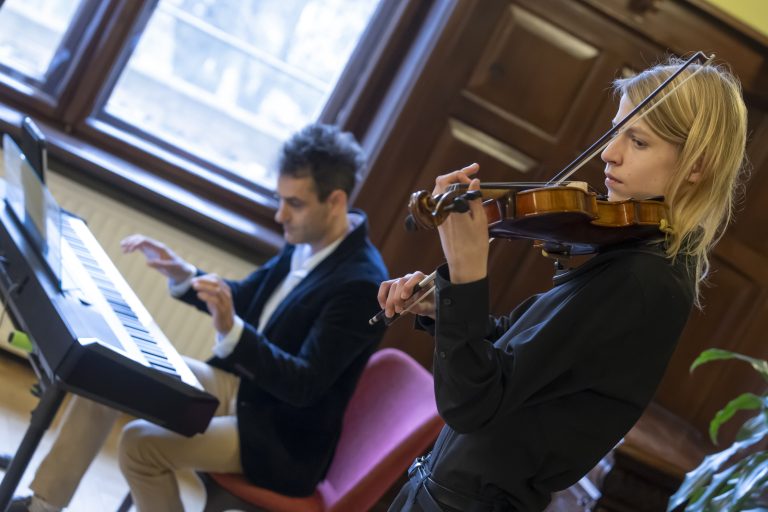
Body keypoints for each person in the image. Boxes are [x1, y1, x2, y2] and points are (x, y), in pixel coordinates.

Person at [379, 57, 748, 511]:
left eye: (638, 140)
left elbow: (472, 403)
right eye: (616, 131)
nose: (610, 153)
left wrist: (467, 273)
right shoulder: (629, 257)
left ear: (697, 166)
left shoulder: (643, 279)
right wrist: (446, 308)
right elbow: (515, 362)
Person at [10, 123, 388, 512]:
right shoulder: (311, 240)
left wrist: (232, 332)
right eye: (280, 199)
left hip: (283, 434)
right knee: (110, 374)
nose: (280, 215)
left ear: (336, 201)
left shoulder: (361, 284)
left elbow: (303, 385)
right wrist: (184, 276)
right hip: (247, 392)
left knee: (140, 445)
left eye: (294, 204)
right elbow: (242, 297)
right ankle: (43, 505)